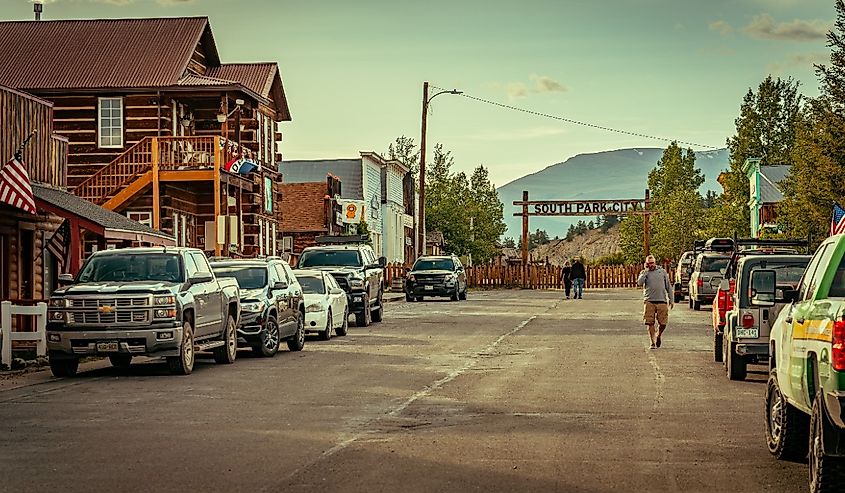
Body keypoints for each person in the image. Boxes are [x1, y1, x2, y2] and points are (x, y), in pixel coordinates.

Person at [636, 254, 673, 349]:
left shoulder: (662, 272)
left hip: (661, 300)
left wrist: (671, 299)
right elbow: (639, 283)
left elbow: (668, 286)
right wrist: (645, 271)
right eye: (649, 263)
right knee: (649, 322)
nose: (651, 265)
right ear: (646, 264)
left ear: (655, 262)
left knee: (663, 323)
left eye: (652, 263)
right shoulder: (644, 273)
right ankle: (652, 342)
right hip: (649, 301)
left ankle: (658, 335)